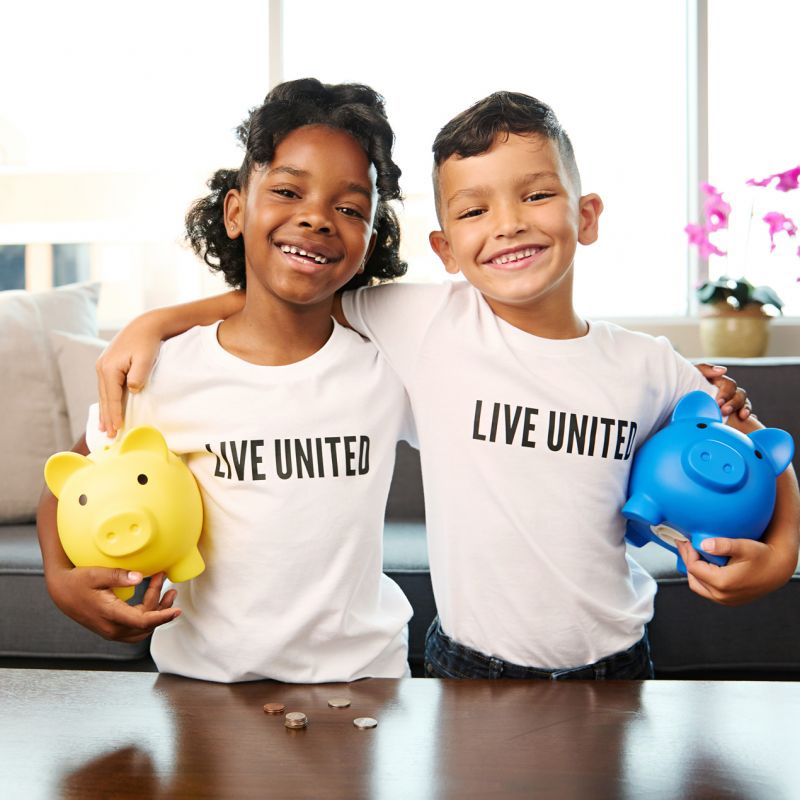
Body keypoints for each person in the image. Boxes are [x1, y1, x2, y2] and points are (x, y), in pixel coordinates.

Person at [96, 92, 798, 681]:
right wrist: (160, 323)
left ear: (585, 216)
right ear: (445, 249)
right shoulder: (425, 322)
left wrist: (782, 554)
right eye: (473, 211)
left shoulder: (652, 365)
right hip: (467, 665)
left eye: (537, 195)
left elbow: (757, 448)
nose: (510, 223)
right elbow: (293, 292)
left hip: (617, 661)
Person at [37, 78, 418, 683]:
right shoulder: (163, 371)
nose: (317, 218)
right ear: (236, 211)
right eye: (289, 190)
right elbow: (66, 484)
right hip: (204, 684)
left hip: (364, 681)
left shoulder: (391, 365)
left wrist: (159, 317)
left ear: (370, 239)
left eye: (350, 209)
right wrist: (61, 583)